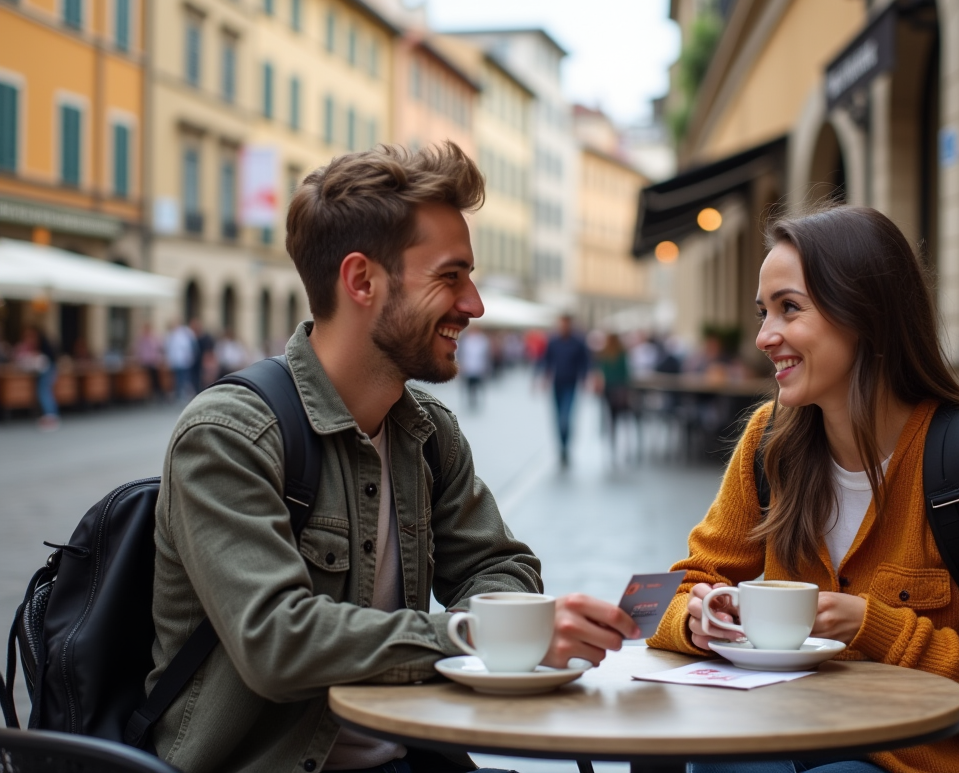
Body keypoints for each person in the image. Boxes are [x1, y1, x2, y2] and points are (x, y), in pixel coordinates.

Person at [147, 142, 639, 773]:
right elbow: (276, 643)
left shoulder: (427, 432)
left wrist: (495, 623)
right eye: (450, 276)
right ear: (361, 281)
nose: (475, 305)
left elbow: (504, 566)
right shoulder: (229, 435)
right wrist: (478, 634)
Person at [647, 206, 959, 773]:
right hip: (789, 734)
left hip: (912, 762)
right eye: (763, 312)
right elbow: (679, 594)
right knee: (705, 759)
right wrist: (701, 620)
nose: (765, 336)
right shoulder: (770, 440)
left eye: (789, 308)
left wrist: (869, 624)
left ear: (866, 315)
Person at [537, 315, 591, 467]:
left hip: (571, 384)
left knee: (565, 418)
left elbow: (585, 362)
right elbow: (546, 360)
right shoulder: (553, 341)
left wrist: (586, 379)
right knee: (558, 417)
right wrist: (543, 378)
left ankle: (566, 447)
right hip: (557, 384)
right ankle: (562, 447)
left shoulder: (578, 342)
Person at [593, 333, 631, 452]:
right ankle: (616, 434)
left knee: (610, 413)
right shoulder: (621, 354)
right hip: (619, 389)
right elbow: (626, 374)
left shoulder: (605, 354)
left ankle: (610, 433)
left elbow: (600, 372)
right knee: (618, 414)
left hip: (609, 388)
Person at [17, 326, 59, 431]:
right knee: (44, 392)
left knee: (44, 392)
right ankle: (50, 416)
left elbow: (44, 360)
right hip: (49, 369)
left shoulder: (42, 344)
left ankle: (51, 417)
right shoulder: (41, 343)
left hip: (47, 370)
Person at [457, 327, 491, 411]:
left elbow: (486, 354)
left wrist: (486, 366)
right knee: (469, 386)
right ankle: (471, 402)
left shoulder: (482, 340)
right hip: (468, 367)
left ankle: (477, 401)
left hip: (479, 367)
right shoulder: (465, 340)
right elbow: (461, 353)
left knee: (478, 385)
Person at [163, 320, 197, 402]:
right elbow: (169, 348)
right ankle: (179, 394)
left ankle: (184, 394)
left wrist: (189, 356)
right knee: (177, 379)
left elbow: (188, 346)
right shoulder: (171, 335)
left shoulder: (184, 333)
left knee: (184, 378)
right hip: (176, 361)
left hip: (184, 360)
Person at [136, 323, 164, 400]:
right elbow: (139, 350)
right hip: (145, 362)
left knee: (155, 379)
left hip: (153, 362)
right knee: (147, 380)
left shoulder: (153, 338)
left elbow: (158, 349)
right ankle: (150, 394)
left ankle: (157, 393)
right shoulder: (142, 339)